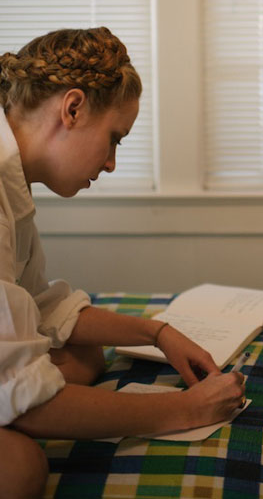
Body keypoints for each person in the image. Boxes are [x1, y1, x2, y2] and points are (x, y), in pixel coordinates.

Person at [0, 27, 244, 499]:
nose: (111, 162)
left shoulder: (15, 181)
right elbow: (30, 405)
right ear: (72, 109)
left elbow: (39, 307)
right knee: (20, 467)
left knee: (82, 356)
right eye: (114, 138)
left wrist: (158, 334)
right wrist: (185, 409)